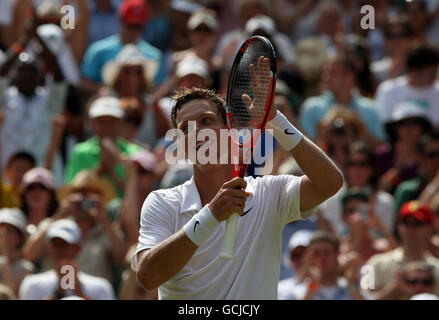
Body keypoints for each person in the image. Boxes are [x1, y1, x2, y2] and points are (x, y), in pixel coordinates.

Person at [133, 79, 344, 299]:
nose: (198, 132)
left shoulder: (269, 192)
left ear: (229, 131)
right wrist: (211, 215)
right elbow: (148, 276)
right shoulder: (162, 202)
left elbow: (330, 183)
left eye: (206, 120)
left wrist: (276, 120)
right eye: (186, 128)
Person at [23, 169, 126, 283]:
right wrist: (59, 215)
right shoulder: (51, 225)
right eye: (80, 194)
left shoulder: (107, 230)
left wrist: (105, 222)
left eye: (91, 196)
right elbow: (29, 254)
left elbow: (122, 259)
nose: (84, 201)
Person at [81, 0, 166, 94]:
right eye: (130, 24)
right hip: (107, 104)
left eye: (138, 26)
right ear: (120, 20)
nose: (133, 31)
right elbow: (84, 81)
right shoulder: (98, 50)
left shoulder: (155, 56)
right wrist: (103, 92)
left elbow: (159, 85)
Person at [64, 96, 142, 197]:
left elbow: (140, 196)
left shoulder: (135, 153)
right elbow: (72, 192)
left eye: (112, 121)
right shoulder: (80, 152)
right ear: (92, 123)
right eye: (100, 121)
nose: (106, 126)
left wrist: (112, 174)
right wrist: (100, 170)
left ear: (121, 122)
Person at [299, 53, 384, 145]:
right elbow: (303, 148)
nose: (326, 78)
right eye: (325, 73)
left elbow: (381, 149)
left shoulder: (369, 109)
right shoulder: (312, 107)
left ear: (349, 77)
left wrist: (359, 128)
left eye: (332, 73)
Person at [19, 219, 115, 300]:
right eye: (55, 244)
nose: (60, 250)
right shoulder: (33, 284)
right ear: (49, 248)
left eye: (65, 244)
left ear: (77, 248)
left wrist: (78, 292)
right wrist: (59, 291)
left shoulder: (101, 287)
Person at [366, 200, 439, 299]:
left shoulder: (437, 268)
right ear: (399, 227)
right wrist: (396, 287)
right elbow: (363, 297)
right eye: (406, 223)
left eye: (417, 223)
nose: (411, 229)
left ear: (430, 228)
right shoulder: (377, 263)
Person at [285, 231, 363, 300]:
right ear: (308, 257)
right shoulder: (294, 290)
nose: (322, 258)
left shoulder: (352, 289)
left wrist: (351, 283)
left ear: (337, 255)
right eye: (316, 253)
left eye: (327, 252)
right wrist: (313, 284)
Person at [375, 43, 439, 125]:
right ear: (414, 72)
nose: (434, 78)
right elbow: (383, 124)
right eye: (431, 75)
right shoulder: (388, 90)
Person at [393, 130, 439, 215]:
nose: (437, 159)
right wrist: (436, 183)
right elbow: (408, 222)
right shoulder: (408, 190)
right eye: (432, 154)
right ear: (420, 157)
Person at [0, 208, 34, 295]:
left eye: (9, 231)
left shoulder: (25, 268)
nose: (3, 236)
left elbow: (11, 294)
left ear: (19, 238)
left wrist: (5, 255)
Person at [19, 167, 59, 234]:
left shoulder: (60, 226)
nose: (36, 192)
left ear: (51, 195)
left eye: (42, 188)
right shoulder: (11, 223)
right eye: (31, 188)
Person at [277, 229, 314, 300]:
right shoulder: (281, 289)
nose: (301, 260)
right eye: (295, 255)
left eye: (305, 254)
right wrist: (313, 285)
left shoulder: (331, 285)